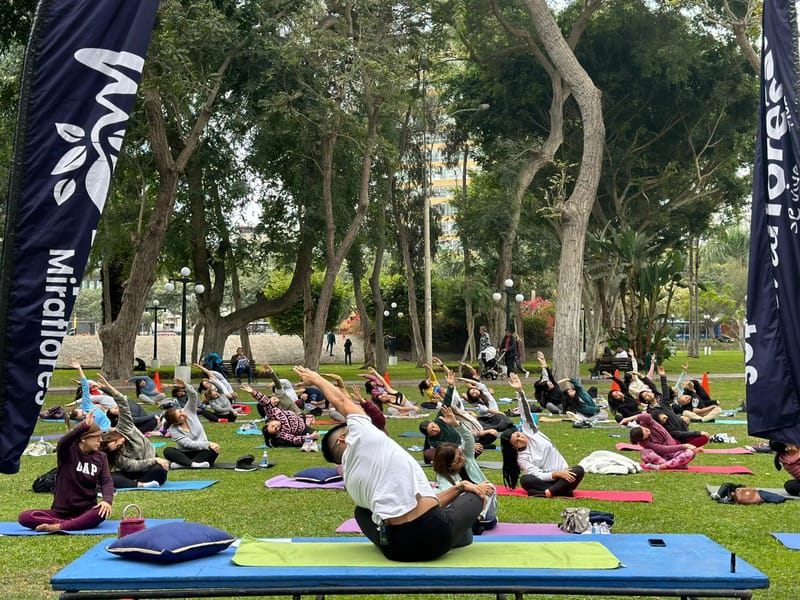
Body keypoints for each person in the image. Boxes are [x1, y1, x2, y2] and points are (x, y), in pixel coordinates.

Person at [297, 365, 484, 562]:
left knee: (362, 511)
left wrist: (458, 487)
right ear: (344, 438)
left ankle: (457, 533)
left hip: (396, 550)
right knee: (476, 495)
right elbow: (341, 401)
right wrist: (316, 378)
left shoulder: (351, 482)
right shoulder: (363, 435)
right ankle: (460, 534)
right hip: (436, 537)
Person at [18, 411, 113, 532]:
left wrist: (107, 501)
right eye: (96, 437)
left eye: (100, 436)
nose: (100, 440)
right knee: (25, 517)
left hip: (86, 510)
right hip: (61, 512)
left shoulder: (101, 457)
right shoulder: (67, 451)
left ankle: (58, 526)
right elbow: (63, 441)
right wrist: (83, 426)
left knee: (101, 512)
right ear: (83, 439)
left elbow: (106, 481)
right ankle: (72, 524)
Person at [501, 373, 585, 497]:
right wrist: (556, 474)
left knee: (578, 470)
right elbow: (538, 475)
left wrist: (519, 391)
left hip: (565, 476)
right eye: (517, 441)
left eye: (518, 435)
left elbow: (525, 412)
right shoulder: (522, 458)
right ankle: (559, 491)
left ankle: (547, 492)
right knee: (526, 479)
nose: (521, 438)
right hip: (548, 480)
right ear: (514, 447)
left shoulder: (530, 432)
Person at [432, 406, 498, 534]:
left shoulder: (467, 457)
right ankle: (473, 523)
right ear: (449, 466)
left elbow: (468, 438)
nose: (462, 459)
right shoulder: (443, 476)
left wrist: (455, 424)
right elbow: (450, 497)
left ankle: (478, 520)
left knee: (489, 487)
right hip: (462, 508)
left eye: (461, 454)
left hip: (483, 507)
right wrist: (476, 488)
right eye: (457, 459)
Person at [96, 374, 169, 489]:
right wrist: (154, 460)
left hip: (151, 468)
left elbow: (123, 404)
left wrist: (110, 389)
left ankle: (133, 482)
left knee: (159, 470)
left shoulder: (124, 428)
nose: (120, 443)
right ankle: (140, 484)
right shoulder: (117, 458)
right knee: (107, 477)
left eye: (116, 442)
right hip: (136, 470)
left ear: (113, 436)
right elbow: (134, 465)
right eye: (117, 447)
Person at [162, 378, 220, 468]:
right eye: (180, 416)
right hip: (185, 453)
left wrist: (185, 386)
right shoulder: (173, 429)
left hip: (201, 450)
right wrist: (208, 444)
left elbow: (193, 395)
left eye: (180, 411)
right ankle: (193, 464)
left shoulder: (189, 411)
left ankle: (183, 465)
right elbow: (189, 444)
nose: (183, 414)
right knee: (168, 451)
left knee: (213, 450)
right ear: (175, 422)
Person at [242, 384, 319, 449]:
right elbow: (294, 439)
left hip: (300, 417)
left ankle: (309, 440)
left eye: (273, 426)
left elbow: (265, 401)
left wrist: (253, 392)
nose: (277, 427)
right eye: (276, 429)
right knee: (314, 435)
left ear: (268, 423)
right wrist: (309, 437)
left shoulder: (272, 413)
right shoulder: (280, 433)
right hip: (302, 429)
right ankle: (308, 441)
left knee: (313, 434)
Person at [621, 411, 701, 470]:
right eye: (647, 436)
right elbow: (663, 449)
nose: (649, 433)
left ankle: (667, 465)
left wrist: (628, 419)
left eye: (646, 430)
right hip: (662, 457)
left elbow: (647, 415)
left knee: (690, 452)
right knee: (645, 453)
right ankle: (669, 465)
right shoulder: (644, 443)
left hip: (673, 452)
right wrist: (684, 446)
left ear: (641, 427)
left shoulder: (647, 422)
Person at [67, 358, 112, 432]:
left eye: (82, 412)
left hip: (112, 421)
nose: (85, 414)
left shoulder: (85, 404)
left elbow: (85, 385)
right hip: (107, 432)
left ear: (80, 408)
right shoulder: (85, 424)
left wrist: (79, 368)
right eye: (82, 416)